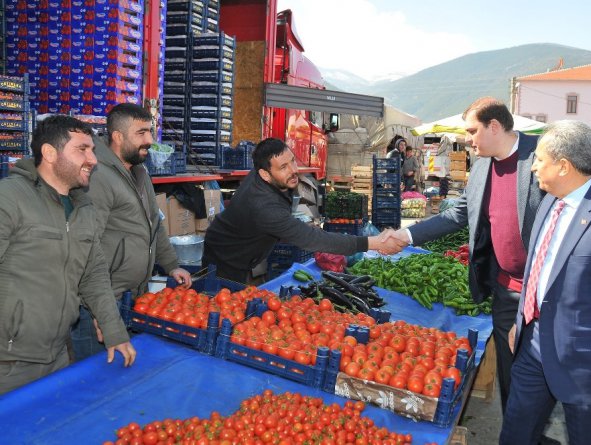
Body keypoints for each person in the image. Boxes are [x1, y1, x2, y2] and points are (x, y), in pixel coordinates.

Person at [387, 97, 546, 419]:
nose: (468, 140)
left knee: (545, 368)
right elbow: (461, 213)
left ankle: (535, 426)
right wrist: (406, 235)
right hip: (504, 287)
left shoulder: (542, 156)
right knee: (510, 364)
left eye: (473, 131)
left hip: (545, 291)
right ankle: (520, 433)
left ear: (495, 126)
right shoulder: (484, 163)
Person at [500, 120, 591, 445]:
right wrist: (521, 320)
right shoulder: (550, 201)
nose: (534, 166)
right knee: (514, 435)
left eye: (540, 159)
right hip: (533, 349)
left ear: (564, 166)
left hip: (586, 369)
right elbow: (538, 269)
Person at [0, 115, 136, 395]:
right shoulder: (10, 199)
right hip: (9, 361)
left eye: (93, 150)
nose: (93, 160)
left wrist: (114, 331)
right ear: (50, 153)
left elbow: (94, 275)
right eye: (82, 149)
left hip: (59, 354)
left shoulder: (82, 208)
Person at [71, 103, 192, 361]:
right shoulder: (98, 177)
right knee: (96, 381)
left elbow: (154, 223)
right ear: (118, 136)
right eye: (141, 133)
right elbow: (86, 247)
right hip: (103, 303)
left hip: (132, 296)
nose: (149, 140)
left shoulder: (139, 171)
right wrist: (99, 312)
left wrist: (171, 265)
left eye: (150, 131)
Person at [203, 138, 404, 283]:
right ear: (264, 174)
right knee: (227, 309)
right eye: (283, 167)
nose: (293, 170)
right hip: (225, 256)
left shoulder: (267, 176)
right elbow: (315, 240)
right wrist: (373, 243)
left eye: (292, 160)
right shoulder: (263, 206)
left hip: (244, 247)